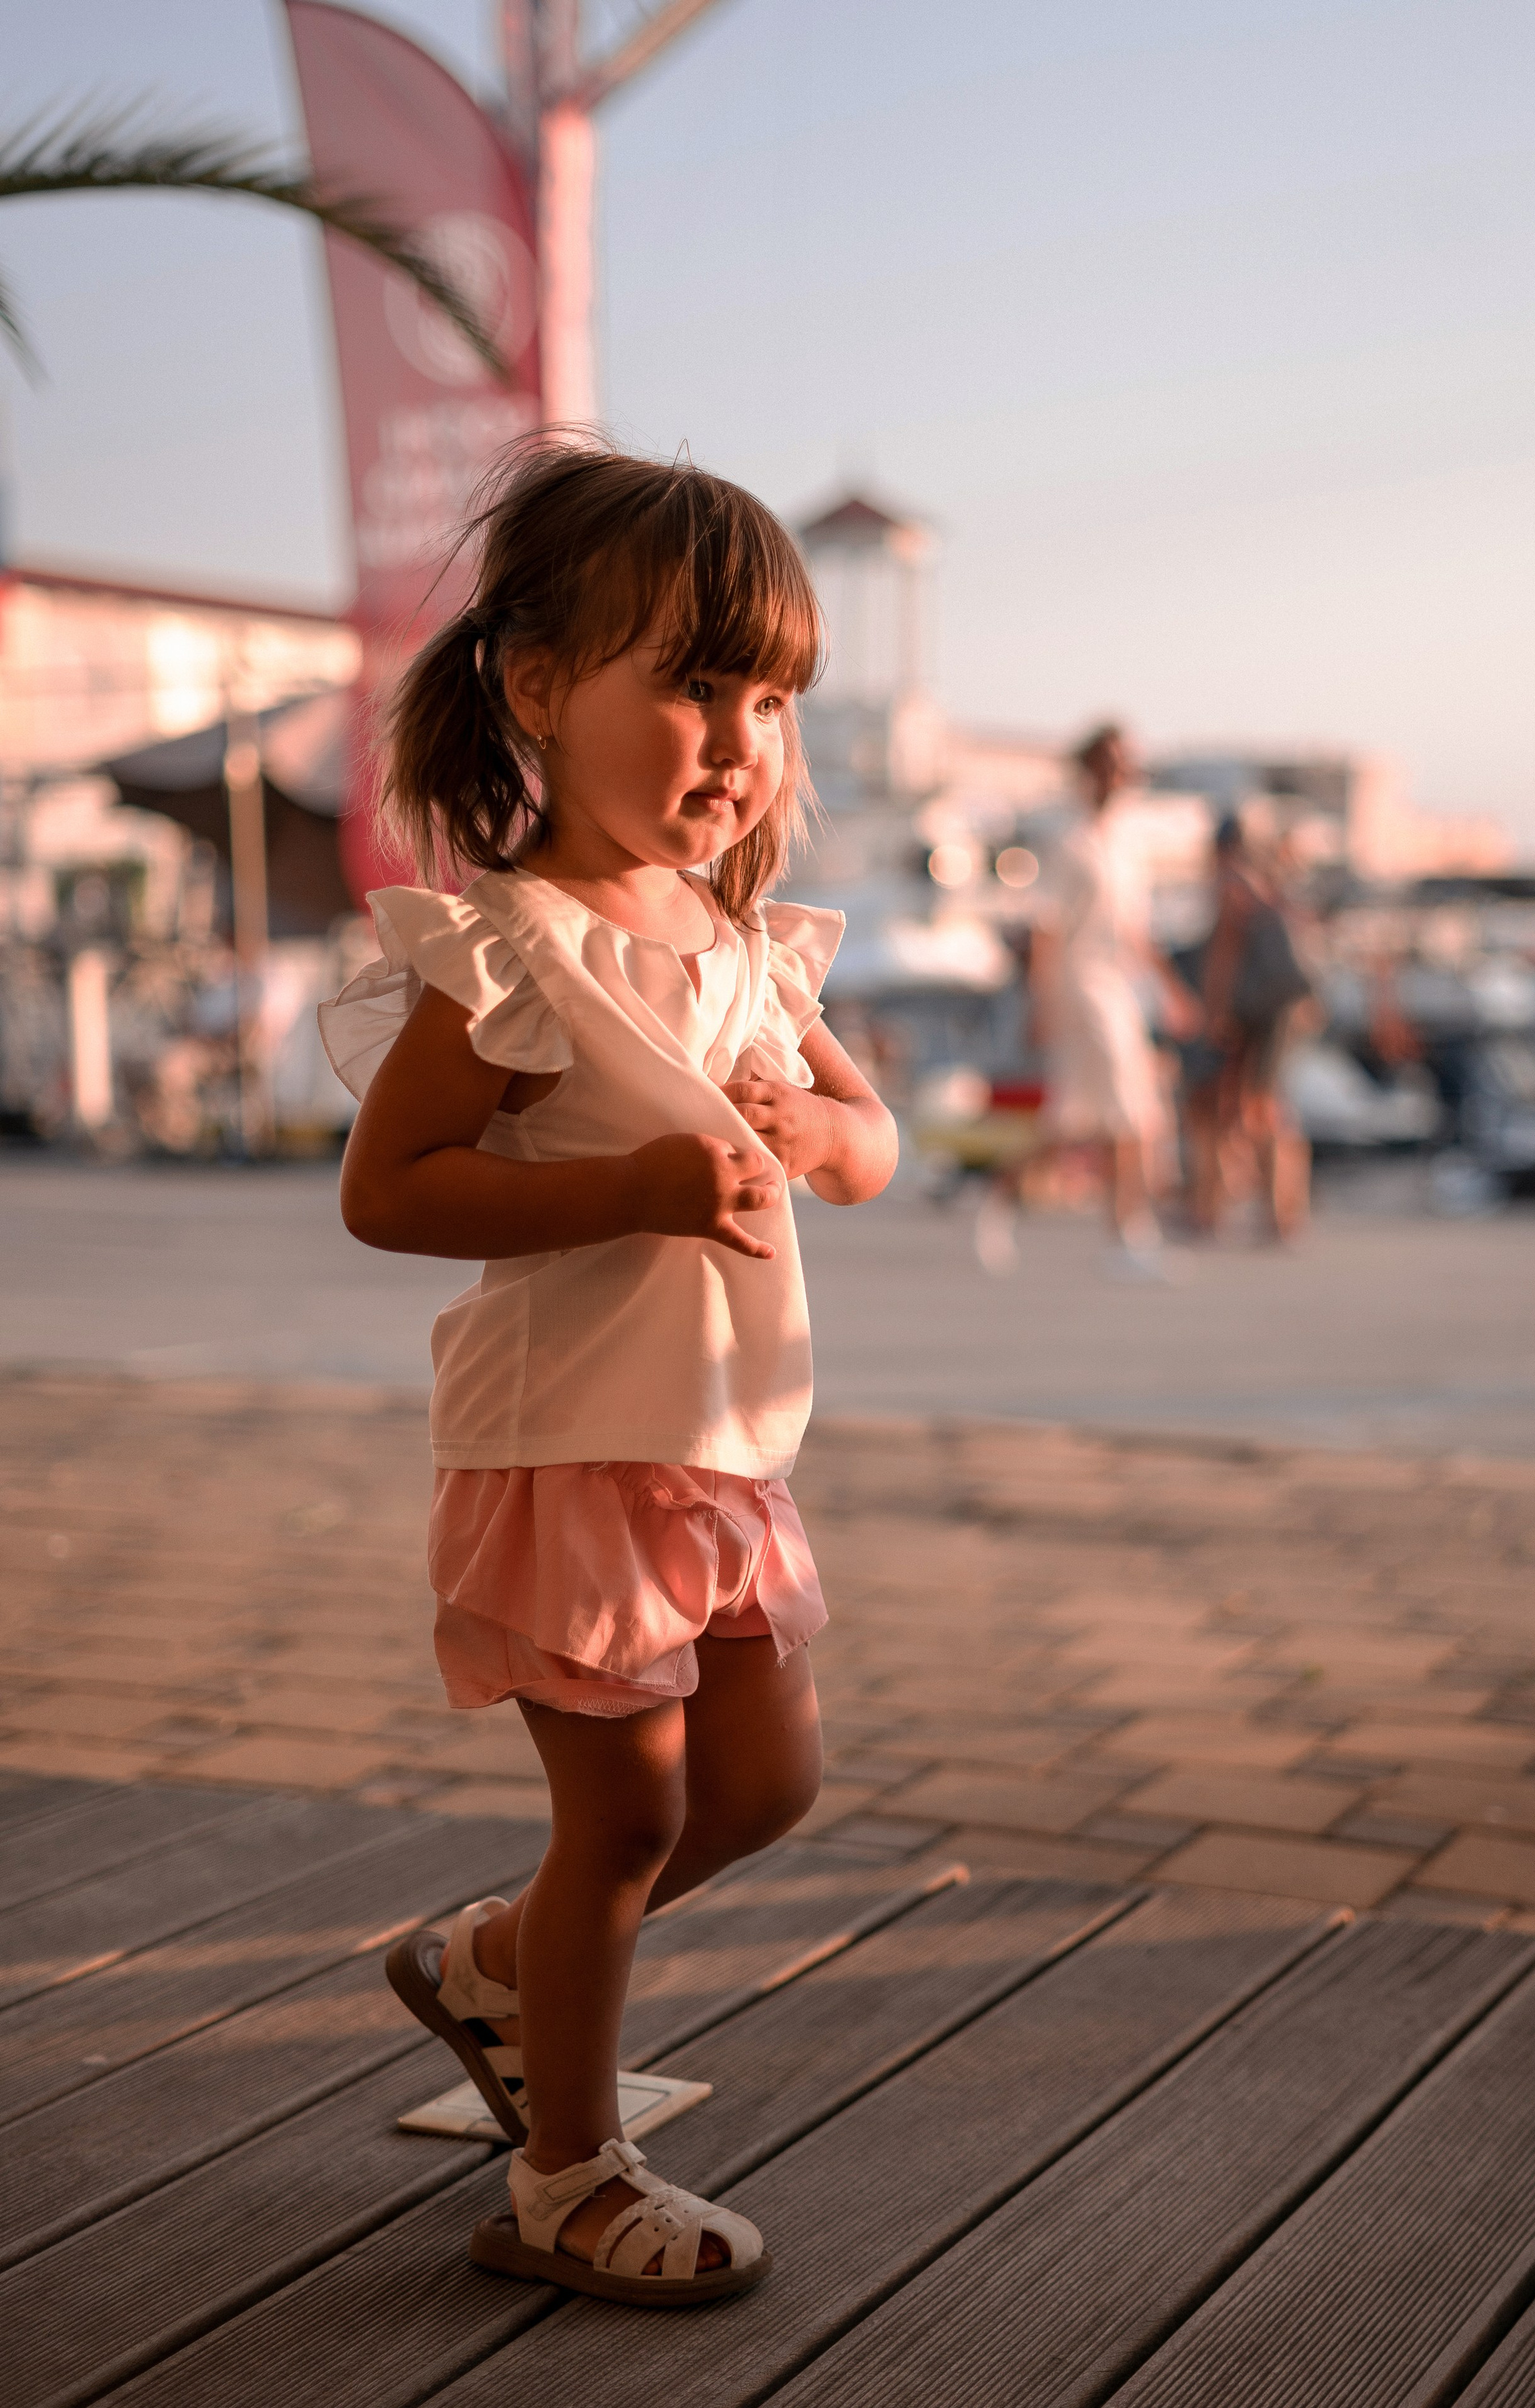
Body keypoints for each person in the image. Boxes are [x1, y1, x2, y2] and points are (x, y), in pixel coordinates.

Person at [322, 439, 896, 2308]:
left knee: (767, 1783)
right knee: (629, 1817)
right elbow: (389, 1189)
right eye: (692, 682)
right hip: (568, 1449)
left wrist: (810, 1128)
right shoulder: (505, 952)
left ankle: (497, 1966)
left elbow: (881, 1142)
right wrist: (639, 1181)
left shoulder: (746, 948)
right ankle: (566, 2173)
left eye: (775, 698)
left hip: (725, 1447)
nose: (741, 737)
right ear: (540, 688)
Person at [982, 724, 1193, 1280]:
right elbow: (1046, 931)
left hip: (1119, 989)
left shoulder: (1126, 844)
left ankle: (999, 1201)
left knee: (1076, 1121)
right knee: (1130, 1116)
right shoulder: (1069, 843)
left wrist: (1171, 991)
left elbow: (1136, 930)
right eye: (1113, 764)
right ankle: (1129, 1238)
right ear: (1091, 770)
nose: (1121, 776)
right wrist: (1041, 1006)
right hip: (1081, 990)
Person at [1178, 813, 1314, 1241]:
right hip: (1283, 1008)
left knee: (1252, 1109)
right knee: (1262, 1107)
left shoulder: (1232, 883)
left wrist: (1215, 1012)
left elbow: (1226, 951)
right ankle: (1279, 1212)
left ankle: (1239, 1212)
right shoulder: (1269, 882)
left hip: (1258, 1010)